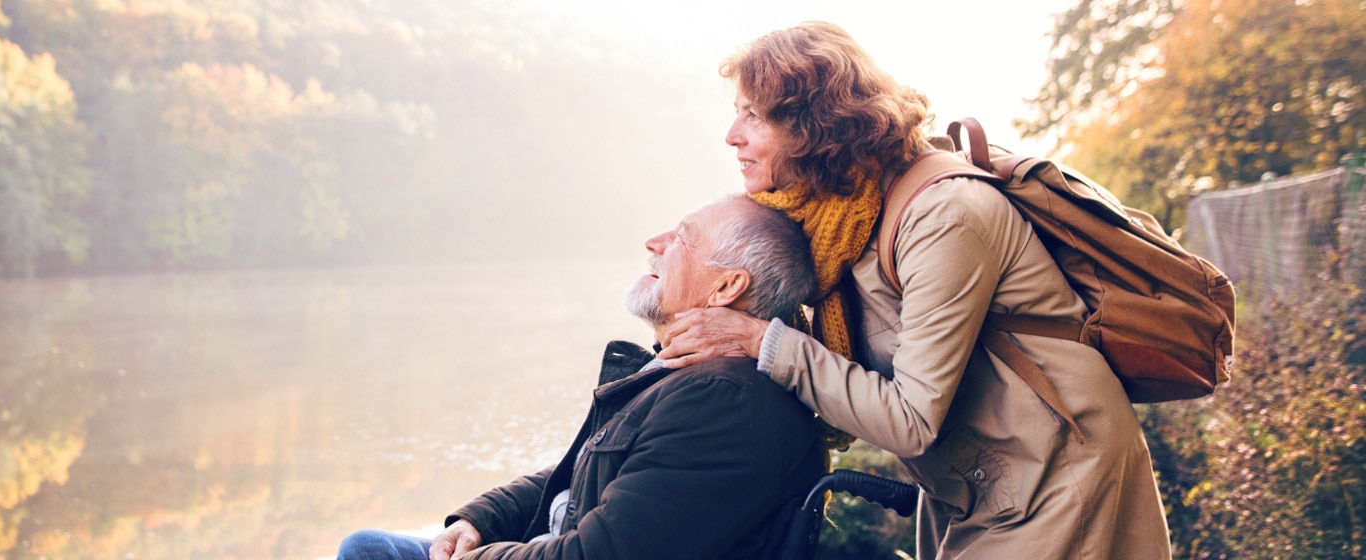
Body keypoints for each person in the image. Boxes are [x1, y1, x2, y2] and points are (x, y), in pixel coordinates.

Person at [656, 22, 1172, 558]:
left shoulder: (942, 215)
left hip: (1057, 478)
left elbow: (912, 420)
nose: (731, 134)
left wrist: (763, 342)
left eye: (753, 115)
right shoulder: (837, 217)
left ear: (814, 125)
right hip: (973, 484)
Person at [336, 195, 829, 560]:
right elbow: (579, 470)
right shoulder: (685, 371)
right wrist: (480, 519)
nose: (653, 243)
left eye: (681, 238)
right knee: (370, 547)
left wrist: (478, 558)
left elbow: (602, 555)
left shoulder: (721, 400)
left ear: (726, 287)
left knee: (366, 553)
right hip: (548, 541)